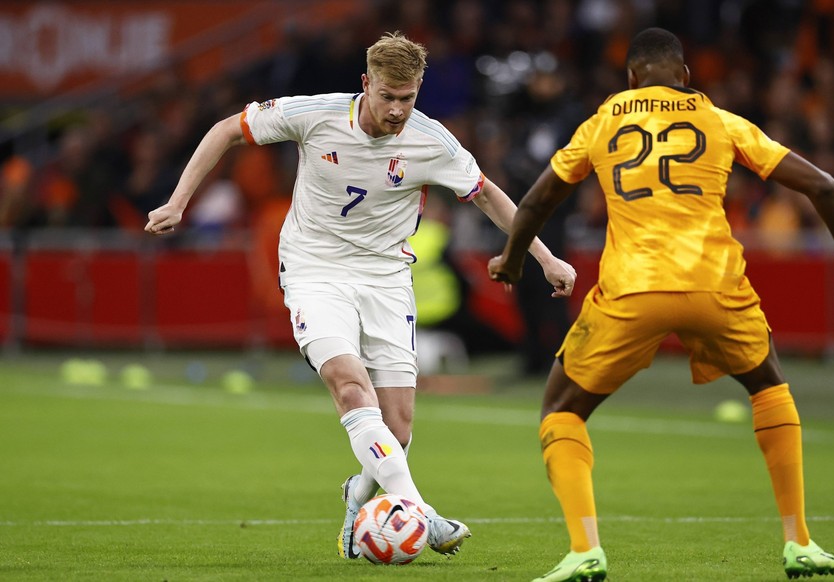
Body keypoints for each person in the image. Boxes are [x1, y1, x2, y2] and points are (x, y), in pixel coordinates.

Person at [145, 31, 577, 560]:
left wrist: (546, 258)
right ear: (366, 84)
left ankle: (360, 492)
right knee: (350, 387)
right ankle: (422, 514)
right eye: (388, 96)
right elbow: (225, 130)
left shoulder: (430, 140)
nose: (398, 110)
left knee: (396, 426)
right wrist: (177, 201)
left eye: (409, 98)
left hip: (386, 278)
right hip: (314, 269)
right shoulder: (316, 114)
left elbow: (486, 194)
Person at [488, 27, 834, 582]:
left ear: (630, 77)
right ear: (685, 76)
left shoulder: (606, 118)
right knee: (769, 386)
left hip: (633, 290)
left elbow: (541, 196)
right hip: (717, 287)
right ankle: (800, 541)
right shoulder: (718, 119)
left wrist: (513, 257)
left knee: (561, 409)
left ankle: (584, 550)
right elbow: (826, 186)